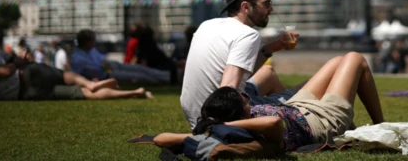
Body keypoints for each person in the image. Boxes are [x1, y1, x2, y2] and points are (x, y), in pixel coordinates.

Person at [156, 52, 384, 152]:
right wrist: (222, 127)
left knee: (337, 61)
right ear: (241, 114)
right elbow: (274, 122)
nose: (247, 98)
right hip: (320, 122)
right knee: (355, 59)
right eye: (243, 99)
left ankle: (363, 127)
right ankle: (379, 125)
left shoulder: (223, 125)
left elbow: (159, 138)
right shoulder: (256, 128)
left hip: (298, 107)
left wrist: (213, 126)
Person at [180, 0, 300, 129]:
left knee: (267, 73)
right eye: (267, 3)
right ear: (246, 7)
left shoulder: (207, 25)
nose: (271, 9)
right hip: (219, 117)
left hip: (196, 114)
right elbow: (227, 88)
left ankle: (291, 116)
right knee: (305, 92)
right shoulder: (247, 35)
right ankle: (296, 115)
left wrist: (274, 47)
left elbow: (237, 74)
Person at [0, 53, 152, 103]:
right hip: (27, 75)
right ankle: (91, 83)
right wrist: (18, 62)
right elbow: (4, 72)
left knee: (80, 95)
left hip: (26, 94)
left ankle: (135, 92)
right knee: (66, 76)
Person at [70, 29, 170, 84]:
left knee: (140, 68)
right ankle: (166, 80)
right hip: (107, 75)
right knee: (140, 76)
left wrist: (107, 66)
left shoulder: (91, 50)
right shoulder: (77, 58)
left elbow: (102, 60)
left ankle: (168, 75)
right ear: (87, 42)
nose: (94, 42)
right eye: (93, 40)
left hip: (112, 67)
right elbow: (80, 75)